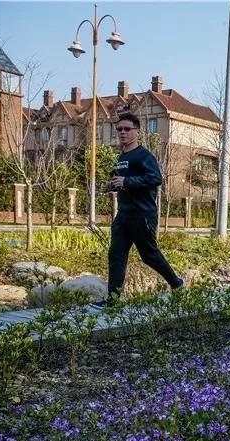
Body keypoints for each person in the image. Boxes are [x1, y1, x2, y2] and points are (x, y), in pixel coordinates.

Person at [96, 113, 183, 305]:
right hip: (123, 215)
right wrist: (112, 186)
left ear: (137, 131)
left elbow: (156, 178)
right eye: (119, 129)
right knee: (116, 255)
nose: (122, 133)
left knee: (149, 256)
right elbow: (122, 182)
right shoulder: (122, 157)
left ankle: (177, 284)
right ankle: (113, 300)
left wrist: (127, 180)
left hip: (142, 215)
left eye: (127, 129)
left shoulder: (145, 155)